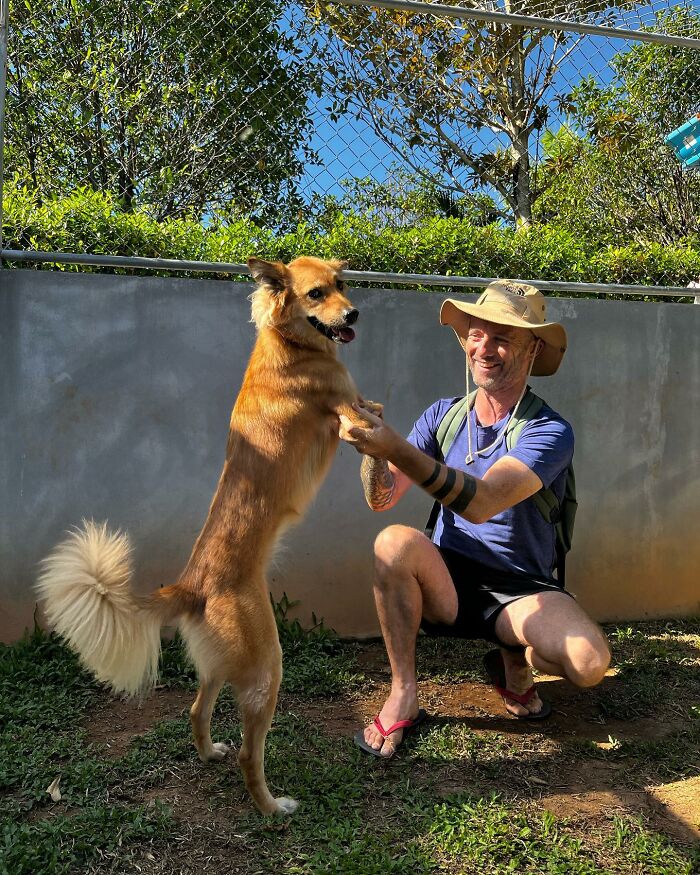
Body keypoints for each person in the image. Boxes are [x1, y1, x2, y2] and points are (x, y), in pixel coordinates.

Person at [339, 280, 611, 758]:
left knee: (589, 663)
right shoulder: (443, 416)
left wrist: (393, 444)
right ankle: (404, 690)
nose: (486, 347)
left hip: (522, 587)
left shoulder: (549, 431)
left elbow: (483, 502)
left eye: (504, 336)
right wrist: (372, 449)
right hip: (448, 578)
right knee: (392, 540)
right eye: (478, 334)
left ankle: (513, 657)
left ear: (535, 349)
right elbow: (381, 498)